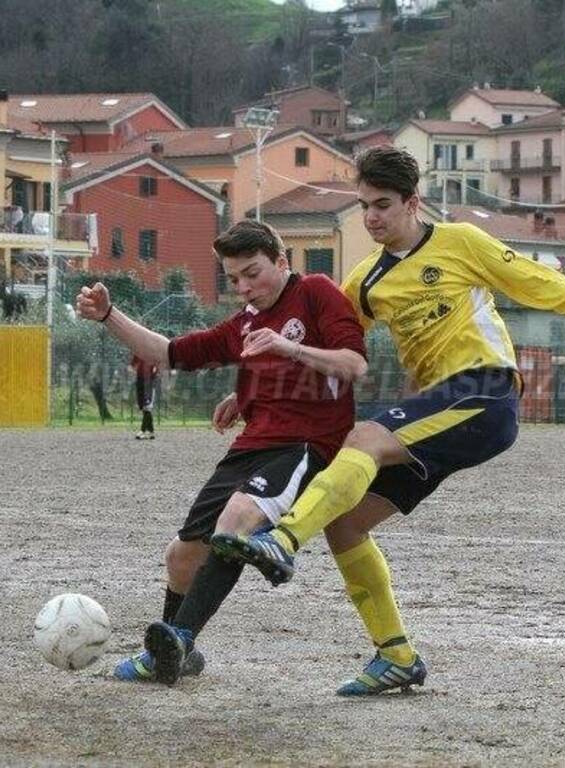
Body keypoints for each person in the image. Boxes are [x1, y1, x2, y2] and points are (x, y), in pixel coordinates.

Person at [209, 147, 565, 693]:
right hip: (439, 410)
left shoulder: (460, 242)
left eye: (383, 205)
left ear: (412, 203)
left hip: (484, 390)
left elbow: (532, 281)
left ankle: (283, 540)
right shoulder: (366, 282)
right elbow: (320, 333)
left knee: (365, 438)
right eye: (365, 207)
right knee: (346, 521)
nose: (373, 217)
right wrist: (253, 392)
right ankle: (396, 655)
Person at [75, 219, 371, 685]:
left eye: (252, 273)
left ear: (281, 261)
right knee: (181, 556)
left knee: (234, 523)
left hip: (305, 445)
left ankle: (176, 642)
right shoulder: (246, 323)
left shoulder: (315, 292)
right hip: (250, 447)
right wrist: (110, 316)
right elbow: (168, 353)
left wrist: (288, 348)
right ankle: (177, 654)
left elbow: (354, 365)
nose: (244, 288)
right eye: (234, 279)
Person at [131, 353, 158, 439]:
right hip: (140, 380)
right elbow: (133, 365)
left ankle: (142, 431)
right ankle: (151, 431)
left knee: (147, 407)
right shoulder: (138, 352)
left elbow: (157, 367)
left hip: (149, 381)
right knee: (144, 407)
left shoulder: (153, 352)